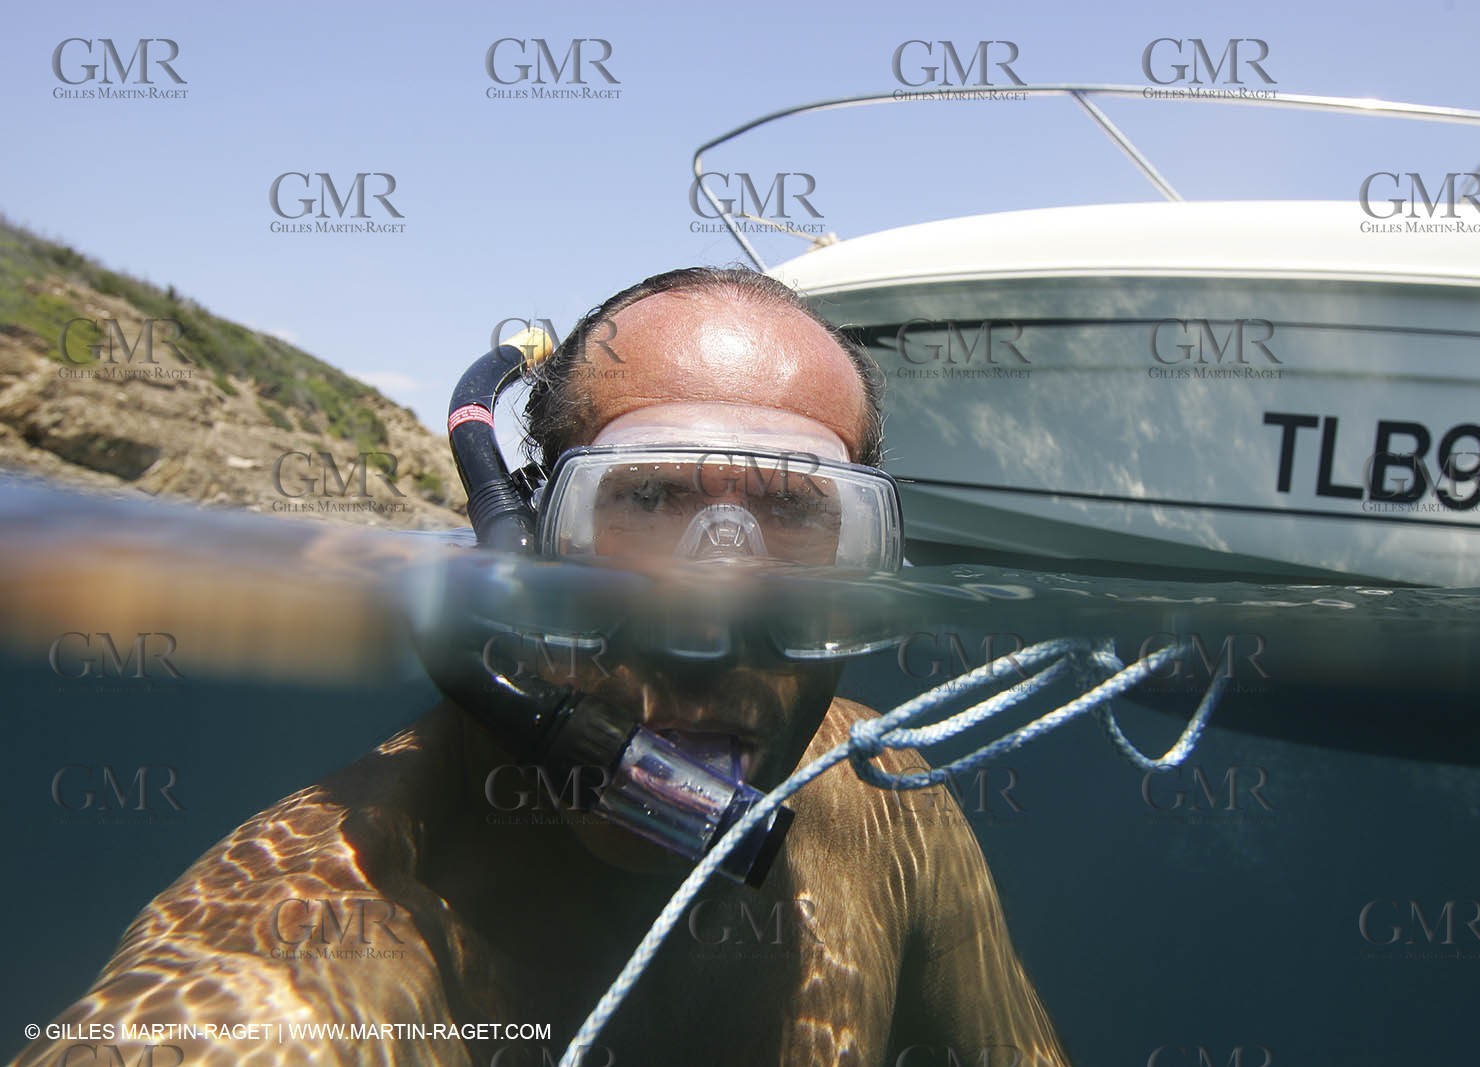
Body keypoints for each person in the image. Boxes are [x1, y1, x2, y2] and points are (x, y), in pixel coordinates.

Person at [14, 268, 1068, 1067]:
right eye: (649, 500)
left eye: (796, 512)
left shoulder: (887, 805)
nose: (712, 612)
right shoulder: (291, 980)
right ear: (524, 540)